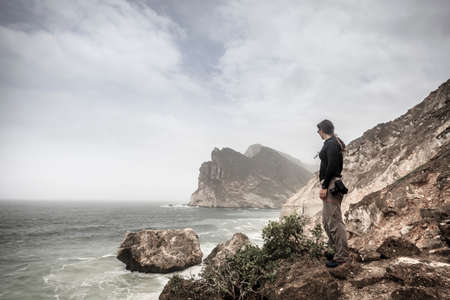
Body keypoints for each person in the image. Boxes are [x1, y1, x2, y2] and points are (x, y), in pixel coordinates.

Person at [317, 119, 350, 268]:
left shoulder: (331, 144)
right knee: (326, 220)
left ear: (322, 130)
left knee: (335, 221)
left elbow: (332, 165)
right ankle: (336, 250)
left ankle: (342, 256)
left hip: (331, 184)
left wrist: (324, 185)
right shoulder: (332, 143)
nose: (317, 133)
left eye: (318, 130)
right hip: (330, 183)